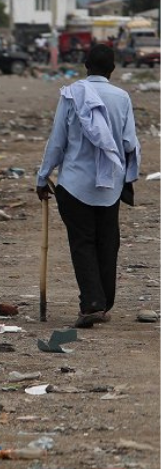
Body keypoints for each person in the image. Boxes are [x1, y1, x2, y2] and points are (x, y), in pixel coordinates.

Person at [36, 44, 140, 328]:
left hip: (74, 183)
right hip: (111, 186)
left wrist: (43, 176)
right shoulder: (122, 98)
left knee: (82, 243)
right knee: (108, 243)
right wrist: (127, 177)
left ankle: (92, 303)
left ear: (85, 65)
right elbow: (130, 143)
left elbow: (58, 140)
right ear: (113, 68)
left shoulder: (71, 94)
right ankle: (103, 303)